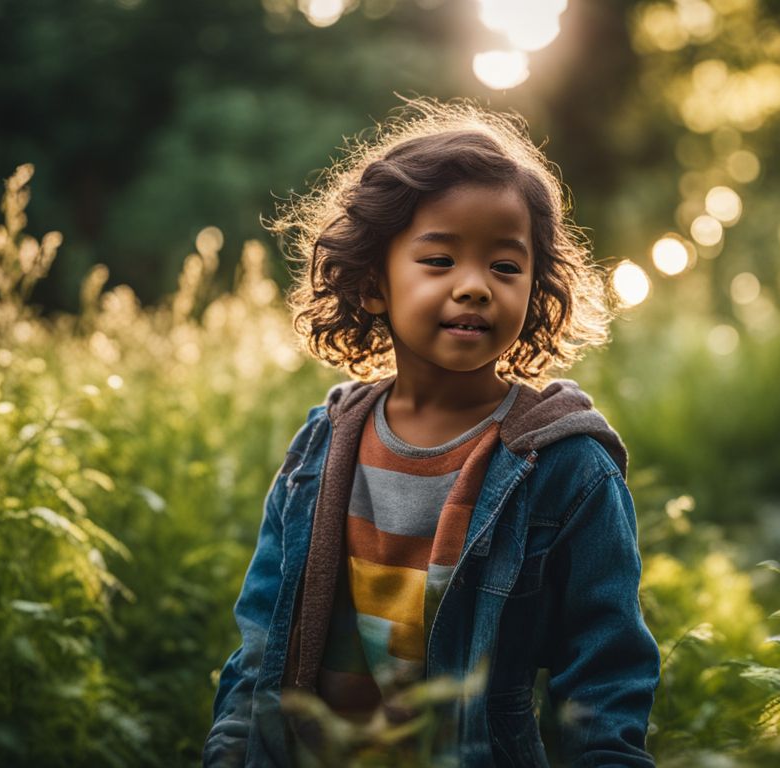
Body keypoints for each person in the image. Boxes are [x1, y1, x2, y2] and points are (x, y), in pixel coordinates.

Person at [202, 99, 660, 767]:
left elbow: (604, 676)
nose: (475, 287)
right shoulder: (321, 449)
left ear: (535, 290)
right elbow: (261, 648)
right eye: (439, 260)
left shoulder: (569, 467)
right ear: (372, 285)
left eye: (505, 267)